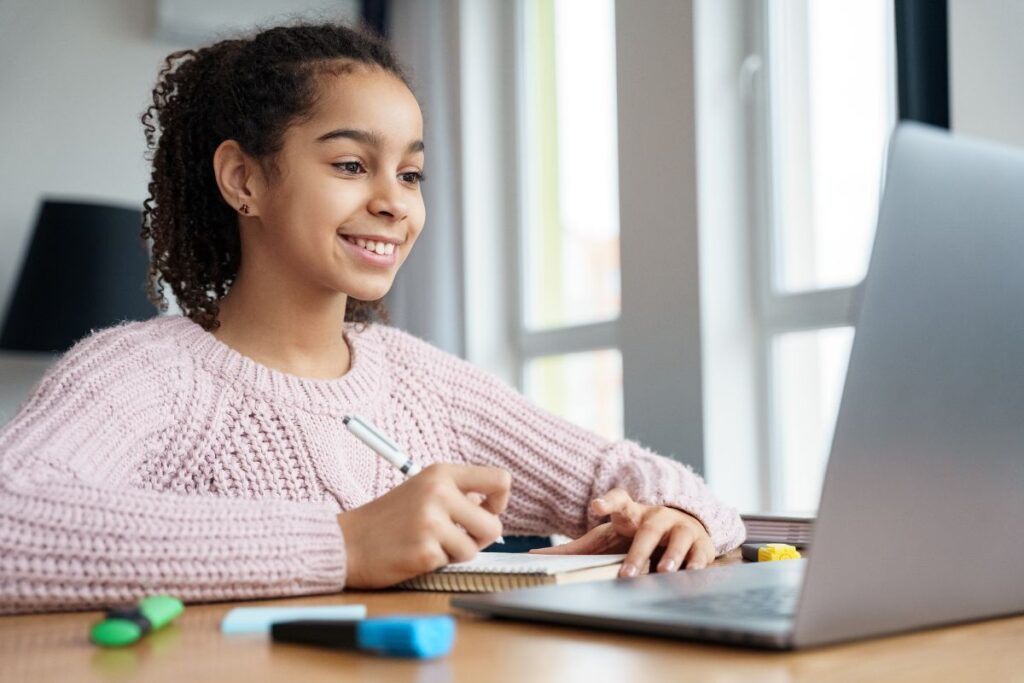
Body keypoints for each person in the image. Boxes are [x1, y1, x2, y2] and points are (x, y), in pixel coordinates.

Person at [0, 22, 744, 615]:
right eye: (352, 165)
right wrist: (343, 544)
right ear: (243, 179)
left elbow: (633, 476)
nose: (395, 200)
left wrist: (677, 517)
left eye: (411, 173)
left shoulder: (416, 378)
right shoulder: (144, 374)